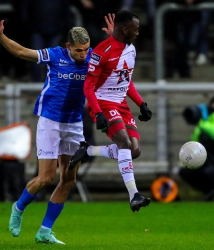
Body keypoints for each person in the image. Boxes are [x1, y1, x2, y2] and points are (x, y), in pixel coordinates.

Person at [0, 14, 114, 244]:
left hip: (74, 123)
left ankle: (44, 231)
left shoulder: (94, 58)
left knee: (69, 179)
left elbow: (118, 60)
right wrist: (0, 36)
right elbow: (22, 52)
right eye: (79, 50)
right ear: (68, 47)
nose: (83, 54)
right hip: (50, 121)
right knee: (45, 177)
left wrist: (114, 41)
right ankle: (18, 208)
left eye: (86, 49)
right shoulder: (54, 55)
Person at [68, 10, 152, 212]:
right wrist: (97, 113)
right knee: (123, 142)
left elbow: (126, 80)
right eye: (135, 28)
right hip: (104, 102)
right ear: (125, 29)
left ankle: (87, 150)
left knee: (134, 150)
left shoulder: (130, 49)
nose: (138, 32)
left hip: (121, 102)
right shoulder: (101, 51)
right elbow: (88, 86)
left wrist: (141, 104)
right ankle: (134, 195)